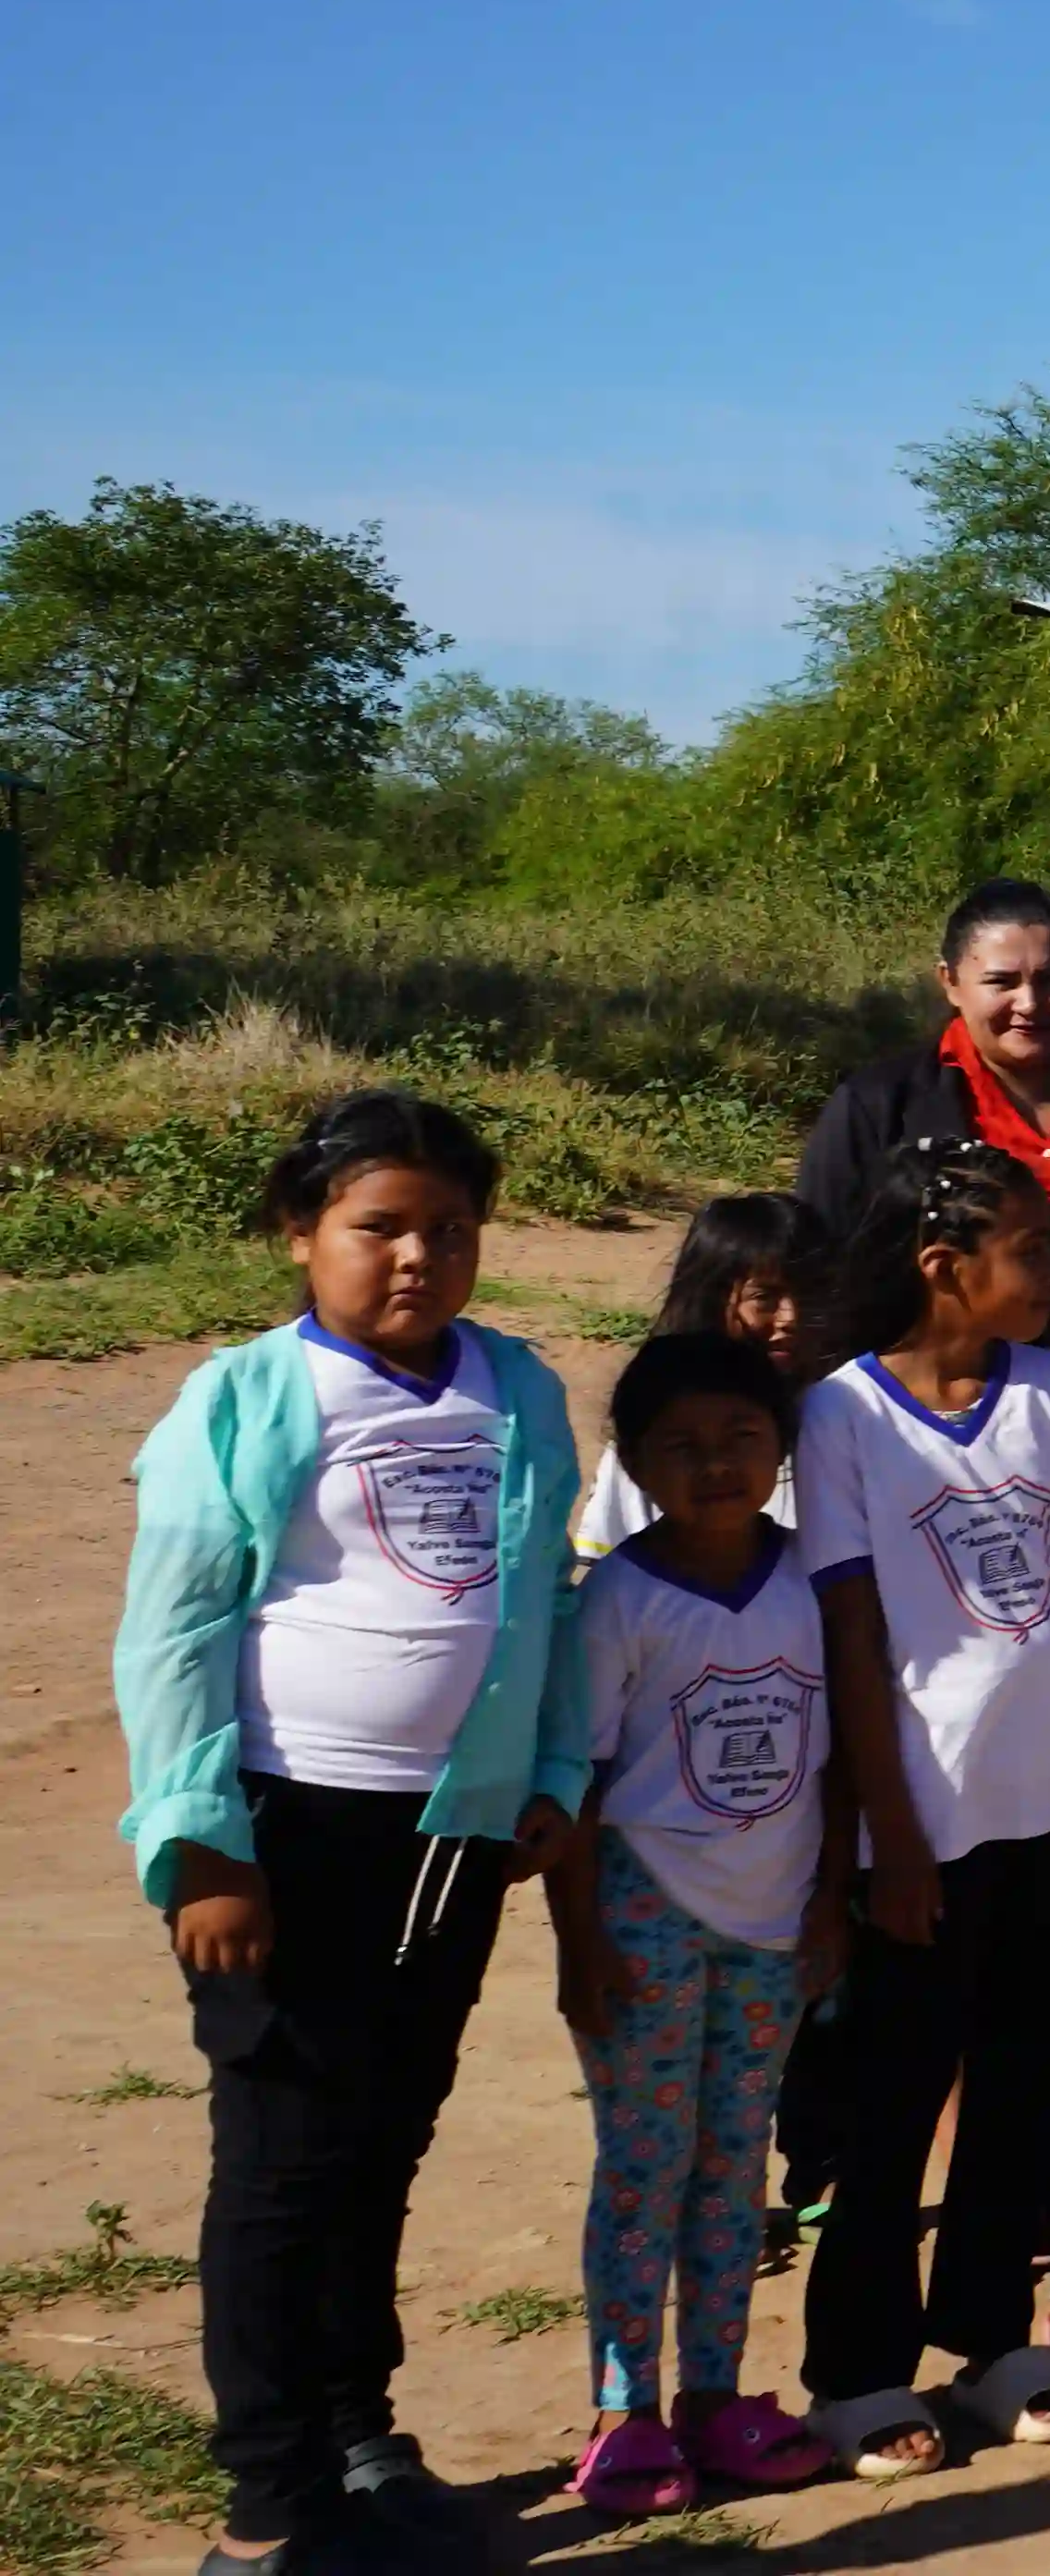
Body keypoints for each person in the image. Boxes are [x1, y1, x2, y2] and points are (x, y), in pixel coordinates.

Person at [120, 1093, 593, 2570]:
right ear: (300, 1232)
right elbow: (174, 1631)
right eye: (378, 1227)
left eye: (449, 1229)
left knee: (385, 2135)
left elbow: (553, 1597)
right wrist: (203, 1844)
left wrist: (551, 1771)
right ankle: (270, 2511)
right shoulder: (246, 1398)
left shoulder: (515, 1387)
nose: (416, 1257)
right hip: (284, 1831)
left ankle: (357, 2438)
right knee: (283, 2160)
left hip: (452, 1838)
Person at [794, 1139, 1050, 2477]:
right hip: (925, 1824)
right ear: (944, 1267)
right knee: (894, 2103)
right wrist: (888, 1834)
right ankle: (857, 2370)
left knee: (1024, 2082)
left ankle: (993, 2339)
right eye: (1031, 1250)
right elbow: (850, 1631)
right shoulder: (841, 1416)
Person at [547, 1333, 844, 2521]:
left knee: (733, 2165)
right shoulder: (617, 1599)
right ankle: (623, 2413)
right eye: (681, 1445)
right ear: (632, 1462)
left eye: (741, 1438)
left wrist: (830, 1897)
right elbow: (575, 1780)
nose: (715, 1464)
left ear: (782, 1449)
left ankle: (714, 2396)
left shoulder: (817, 1577)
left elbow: (846, 1755)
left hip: (777, 1918)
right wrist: (581, 1942)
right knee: (644, 2165)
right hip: (645, 1914)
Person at [796, 880, 1050, 1238]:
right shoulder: (878, 1109)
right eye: (1002, 982)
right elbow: (816, 1257)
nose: (1029, 1003)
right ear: (950, 982)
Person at [575, 1193, 817, 1561]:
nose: (791, 1317)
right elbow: (606, 1564)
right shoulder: (655, 1422)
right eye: (765, 1298)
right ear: (713, 1296)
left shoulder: (843, 1416)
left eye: (810, 1295)